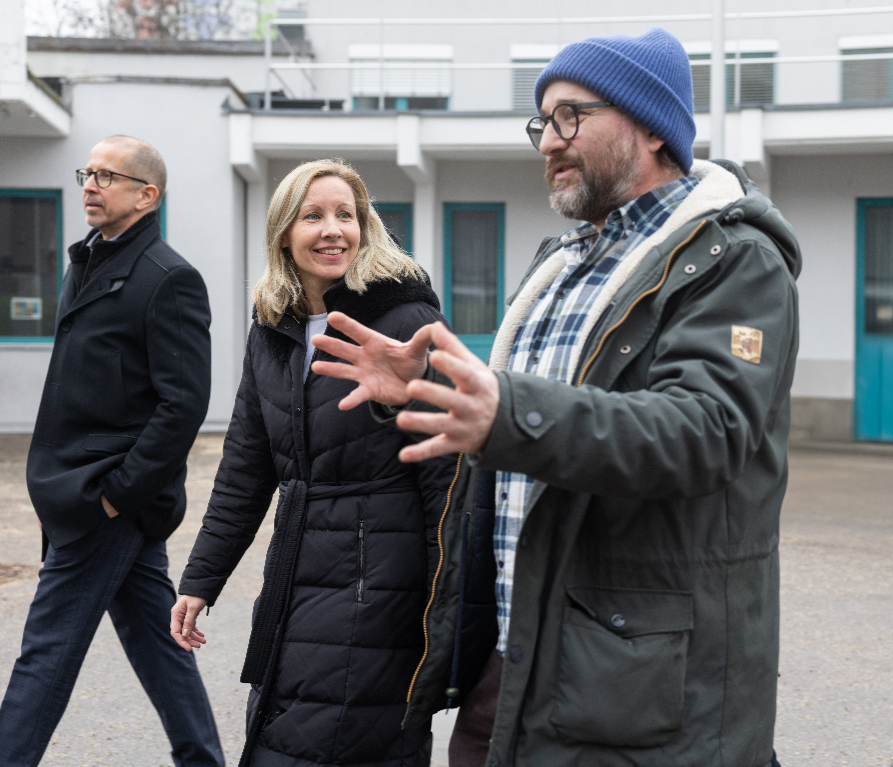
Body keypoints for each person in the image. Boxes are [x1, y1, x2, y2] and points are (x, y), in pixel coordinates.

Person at [310, 28, 800, 767]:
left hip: (632, 681)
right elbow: (537, 420)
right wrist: (431, 389)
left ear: (651, 127)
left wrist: (505, 412)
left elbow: (703, 431)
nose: (548, 141)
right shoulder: (561, 263)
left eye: (571, 116)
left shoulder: (735, 261)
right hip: (515, 656)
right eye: (541, 122)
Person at [170, 159, 457, 767]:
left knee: (338, 741)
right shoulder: (273, 329)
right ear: (283, 234)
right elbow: (245, 468)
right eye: (313, 216)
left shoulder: (407, 322)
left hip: (380, 583)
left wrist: (447, 608)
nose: (333, 230)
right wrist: (201, 579)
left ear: (365, 227)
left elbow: (448, 477)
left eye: (346, 215)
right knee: (284, 730)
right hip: (295, 574)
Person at [0, 135, 222, 766]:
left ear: (147, 195)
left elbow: (183, 405)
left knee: (44, 653)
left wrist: (116, 496)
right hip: (83, 493)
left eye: (107, 176)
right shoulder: (86, 262)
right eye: (87, 173)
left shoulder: (169, 279)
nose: (90, 185)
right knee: (159, 645)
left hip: (102, 499)